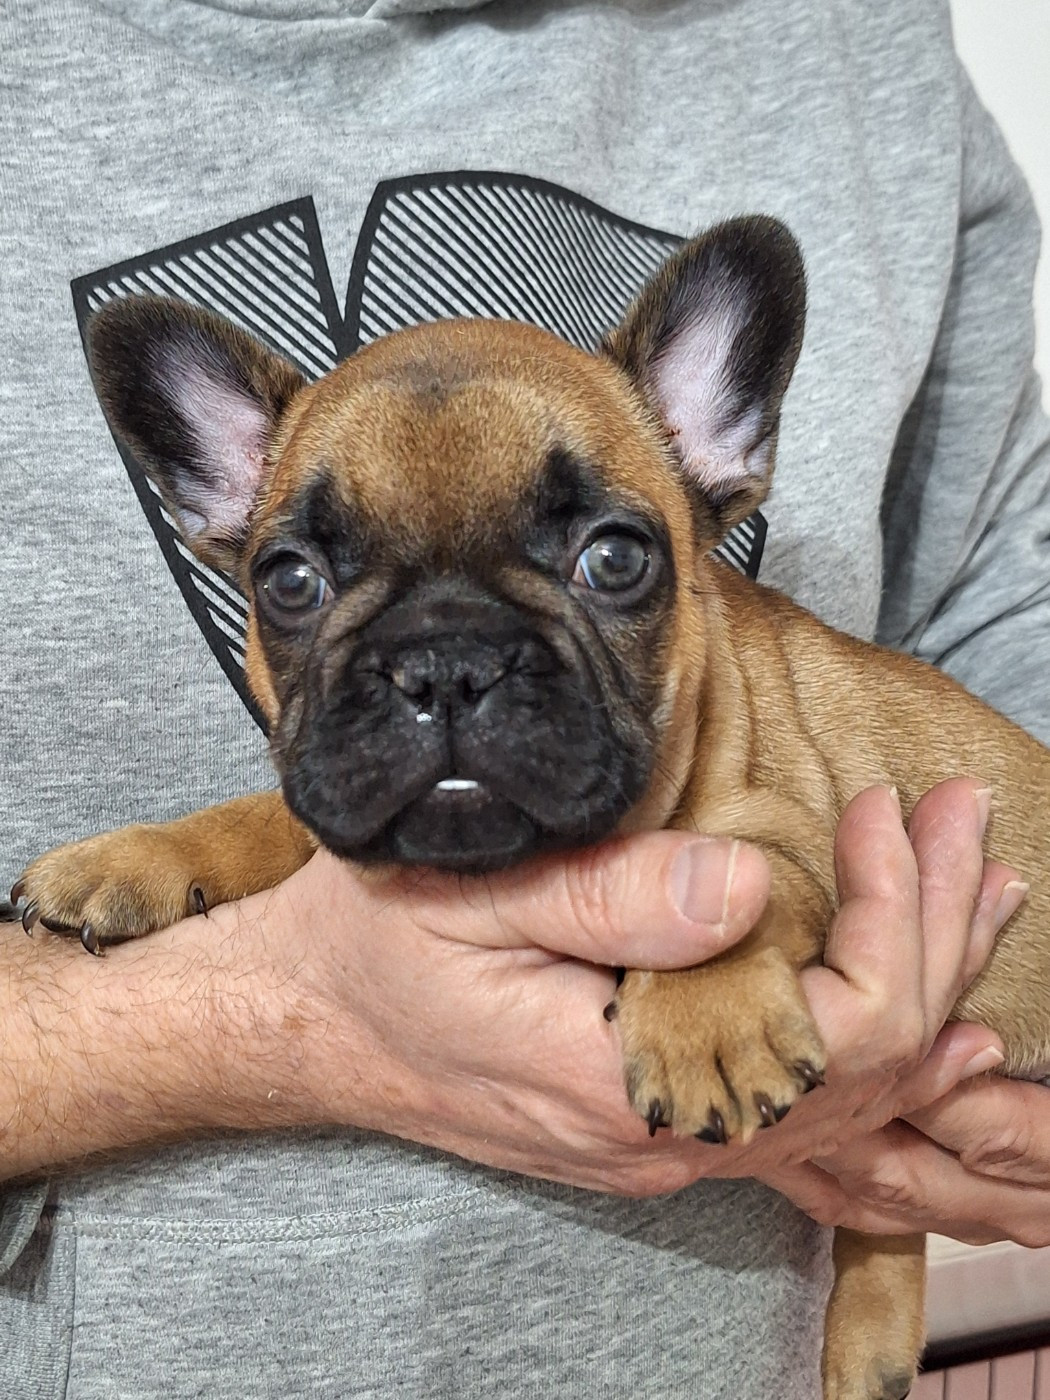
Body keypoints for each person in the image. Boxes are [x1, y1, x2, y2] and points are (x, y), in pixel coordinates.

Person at [1, 0, 1048, 1395]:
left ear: (715, 456)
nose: (445, 675)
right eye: (307, 582)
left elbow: (977, 639)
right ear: (222, 498)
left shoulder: (855, 39)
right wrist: (256, 1009)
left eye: (606, 561)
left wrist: (759, 1003)